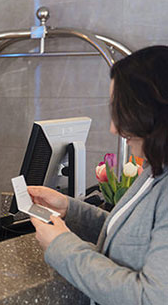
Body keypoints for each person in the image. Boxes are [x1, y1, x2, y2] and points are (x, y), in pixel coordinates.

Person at [29, 45, 168, 305]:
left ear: (151, 111)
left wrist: (62, 247)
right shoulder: (155, 168)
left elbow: (151, 298)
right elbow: (134, 236)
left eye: (121, 110)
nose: (114, 128)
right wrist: (70, 209)